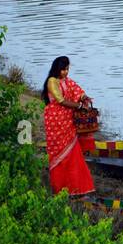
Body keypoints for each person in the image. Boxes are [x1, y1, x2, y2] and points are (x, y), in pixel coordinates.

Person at [41, 57, 95, 197]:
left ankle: (76, 188)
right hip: (56, 121)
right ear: (57, 69)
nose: (65, 72)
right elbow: (61, 100)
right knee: (59, 155)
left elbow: (77, 90)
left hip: (68, 121)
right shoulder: (52, 81)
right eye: (63, 69)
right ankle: (61, 188)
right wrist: (79, 106)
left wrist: (84, 98)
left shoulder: (67, 81)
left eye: (67, 69)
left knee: (73, 154)